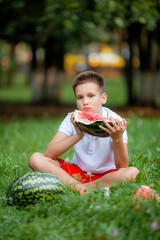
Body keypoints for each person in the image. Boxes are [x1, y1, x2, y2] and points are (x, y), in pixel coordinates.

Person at [29, 71, 139, 193]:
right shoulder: (72, 118)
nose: (85, 102)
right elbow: (50, 153)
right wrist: (78, 135)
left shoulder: (116, 122)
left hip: (106, 176)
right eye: (80, 97)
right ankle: (81, 188)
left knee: (132, 172)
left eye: (91, 96)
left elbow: (122, 166)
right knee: (36, 158)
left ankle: (77, 187)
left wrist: (117, 138)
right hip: (77, 173)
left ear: (103, 98)